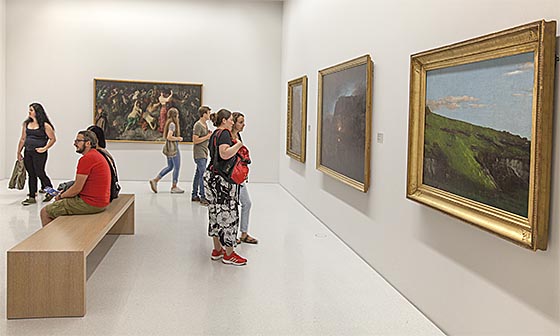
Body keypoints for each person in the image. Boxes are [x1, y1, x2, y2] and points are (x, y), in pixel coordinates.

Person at [39, 130, 111, 227]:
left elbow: (77, 188)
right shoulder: (97, 155)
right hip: (102, 201)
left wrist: (60, 196)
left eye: (78, 141)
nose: (74, 144)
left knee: (45, 212)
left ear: (88, 143)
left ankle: (51, 241)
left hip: (91, 203)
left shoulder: (87, 159)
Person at [204, 108, 247, 266]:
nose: (232, 122)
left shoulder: (214, 134)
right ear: (224, 121)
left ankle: (217, 250)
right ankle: (229, 254)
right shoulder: (224, 134)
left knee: (215, 213)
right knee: (228, 216)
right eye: (230, 119)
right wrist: (238, 145)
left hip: (211, 176)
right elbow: (224, 154)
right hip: (223, 181)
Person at [17, 103, 56, 205]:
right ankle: (31, 196)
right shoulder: (26, 124)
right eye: (29, 110)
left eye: (31, 110)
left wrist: (45, 148)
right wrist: (19, 152)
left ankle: (49, 190)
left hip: (39, 153)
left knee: (39, 172)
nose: (29, 112)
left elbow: (52, 139)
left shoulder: (45, 125)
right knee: (31, 173)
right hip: (28, 152)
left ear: (37, 112)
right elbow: (22, 139)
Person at [231, 112, 258, 244]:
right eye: (241, 122)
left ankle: (244, 233)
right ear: (234, 123)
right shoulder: (228, 137)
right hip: (231, 177)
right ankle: (232, 235)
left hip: (239, 176)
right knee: (232, 206)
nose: (243, 125)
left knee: (246, 203)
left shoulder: (238, 136)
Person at [149, 107, 184, 193]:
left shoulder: (168, 123)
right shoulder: (173, 124)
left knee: (170, 166)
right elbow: (169, 136)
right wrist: (178, 138)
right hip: (173, 148)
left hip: (169, 148)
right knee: (177, 167)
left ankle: (155, 180)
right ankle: (174, 186)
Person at [191, 105, 212, 205]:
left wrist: (207, 135)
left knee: (198, 174)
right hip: (199, 153)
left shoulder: (204, 125)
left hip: (204, 152)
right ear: (204, 114)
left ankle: (194, 195)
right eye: (208, 113)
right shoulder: (198, 125)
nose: (210, 115)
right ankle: (203, 197)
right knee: (203, 175)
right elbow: (195, 140)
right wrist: (207, 136)